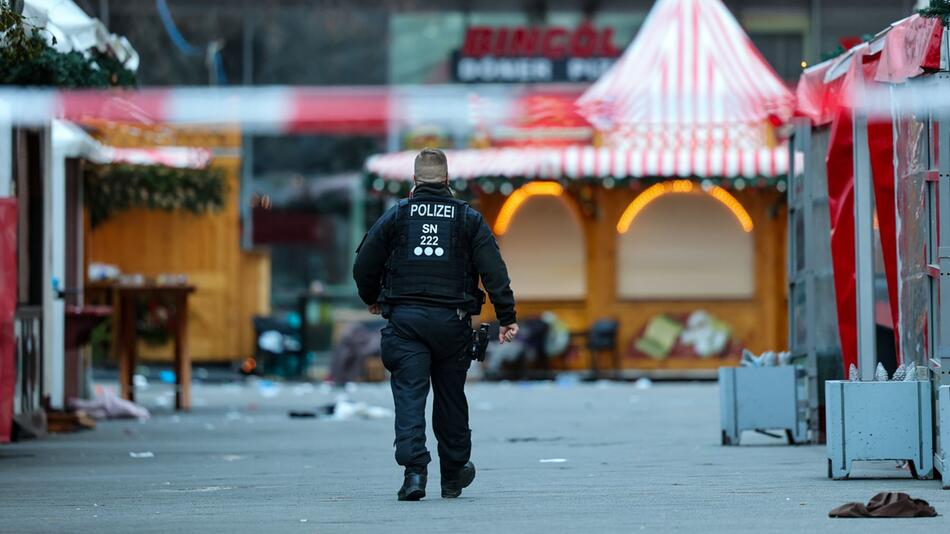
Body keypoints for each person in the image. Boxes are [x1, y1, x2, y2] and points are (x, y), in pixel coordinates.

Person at [353, 148, 519, 501]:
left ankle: (414, 474)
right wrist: (507, 317)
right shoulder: (467, 219)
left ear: (414, 181)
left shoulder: (397, 215)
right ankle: (453, 473)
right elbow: (494, 270)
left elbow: (364, 263)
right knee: (450, 398)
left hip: (406, 322)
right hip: (452, 323)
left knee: (410, 396)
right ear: (446, 180)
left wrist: (373, 297)